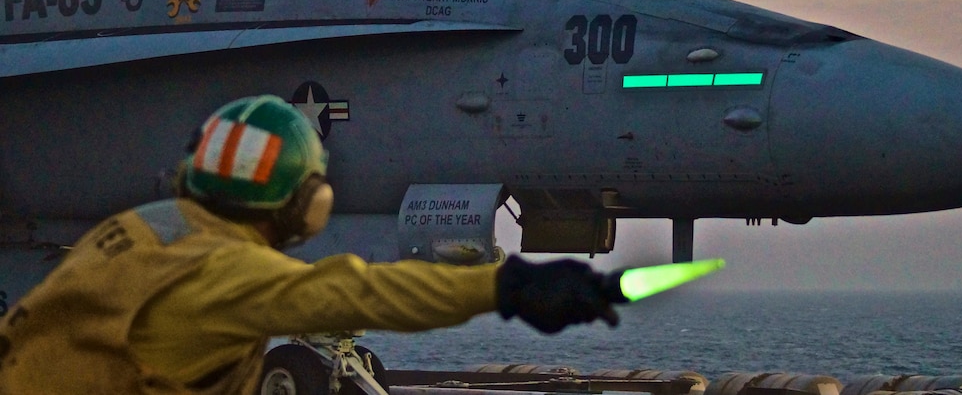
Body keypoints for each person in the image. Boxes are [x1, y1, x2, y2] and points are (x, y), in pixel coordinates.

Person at [0, 95, 621, 394]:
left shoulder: (136, 229)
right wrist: (509, 285)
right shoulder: (224, 274)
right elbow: (359, 291)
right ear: (306, 203)